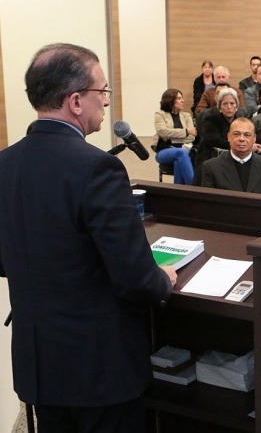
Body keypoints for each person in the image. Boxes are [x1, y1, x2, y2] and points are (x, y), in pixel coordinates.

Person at [0, 43, 176, 432]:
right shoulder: (98, 168)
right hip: (98, 370)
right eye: (103, 91)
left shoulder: (5, 163)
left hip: (39, 365)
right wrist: (162, 279)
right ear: (76, 101)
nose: (107, 101)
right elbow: (135, 279)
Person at [201, 117, 261, 195]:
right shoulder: (211, 167)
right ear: (228, 137)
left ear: (254, 138)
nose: (241, 139)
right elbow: (207, 202)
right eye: (236, 134)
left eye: (247, 135)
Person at [195, 87, 250, 168]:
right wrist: (240, 145)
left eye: (232, 103)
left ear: (236, 106)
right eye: (225, 104)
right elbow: (215, 141)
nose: (229, 107)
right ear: (219, 107)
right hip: (210, 157)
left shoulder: (240, 120)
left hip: (234, 156)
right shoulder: (210, 119)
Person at [153, 88, 196, 185]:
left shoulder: (186, 116)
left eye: (182, 98)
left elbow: (192, 137)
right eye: (179, 98)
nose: (183, 101)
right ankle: (194, 188)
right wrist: (185, 131)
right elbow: (163, 132)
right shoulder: (160, 114)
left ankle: (177, 190)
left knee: (179, 160)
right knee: (181, 152)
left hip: (183, 152)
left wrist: (170, 137)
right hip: (164, 151)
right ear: (170, 100)